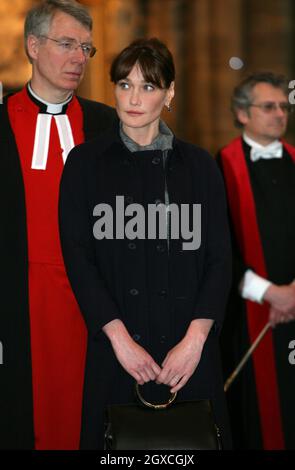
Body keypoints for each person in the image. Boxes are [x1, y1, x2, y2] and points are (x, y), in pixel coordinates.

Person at [59, 37, 232, 450]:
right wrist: (120, 341)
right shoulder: (84, 164)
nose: (134, 98)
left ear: (169, 93)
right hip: (117, 352)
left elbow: (219, 259)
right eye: (124, 85)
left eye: (149, 86)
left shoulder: (201, 166)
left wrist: (195, 342)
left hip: (189, 355)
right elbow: (79, 259)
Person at [0, 0, 116, 450]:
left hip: (93, 306)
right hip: (19, 305)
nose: (79, 59)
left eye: (86, 47)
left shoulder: (107, 125)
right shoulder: (1, 123)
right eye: (66, 44)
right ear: (32, 45)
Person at [218, 72, 295, 449]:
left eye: (284, 106)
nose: (280, 114)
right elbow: (215, 248)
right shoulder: (219, 167)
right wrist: (270, 294)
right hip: (248, 314)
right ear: (242, 113)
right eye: (269, 106)